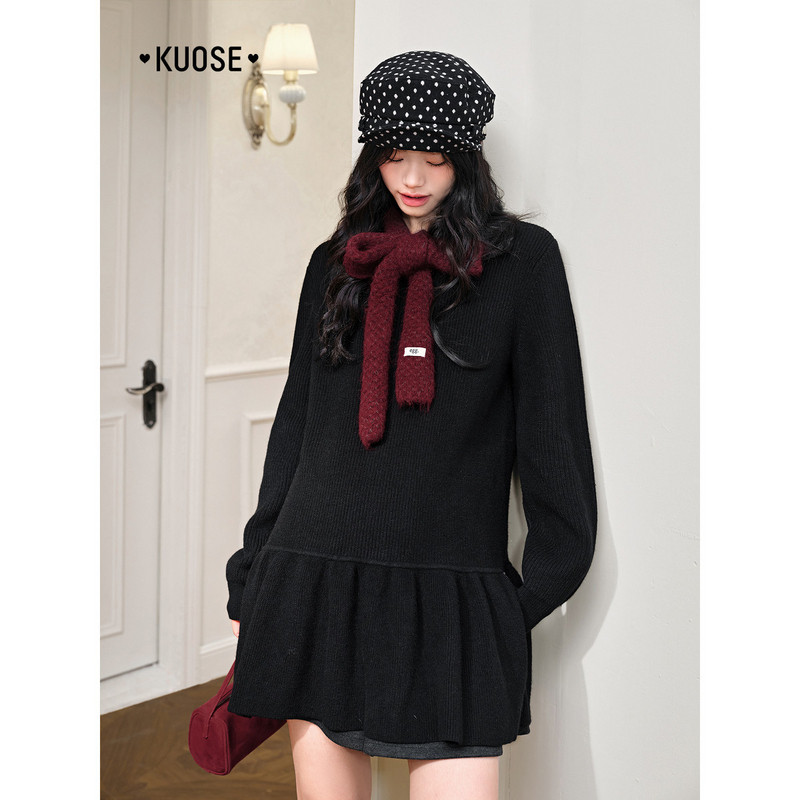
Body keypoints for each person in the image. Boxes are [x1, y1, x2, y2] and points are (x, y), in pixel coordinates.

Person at [225, 50, 598, 800]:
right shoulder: (337, 262)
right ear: (373, 156)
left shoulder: (523, 262)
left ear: (468, 158)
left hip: (450, 601)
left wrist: (520, 600)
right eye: (396, 156)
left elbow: (553, 440)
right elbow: (298, 425)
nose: (414, 178)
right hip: (313, 579)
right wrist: (253, 575)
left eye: (436, 158)